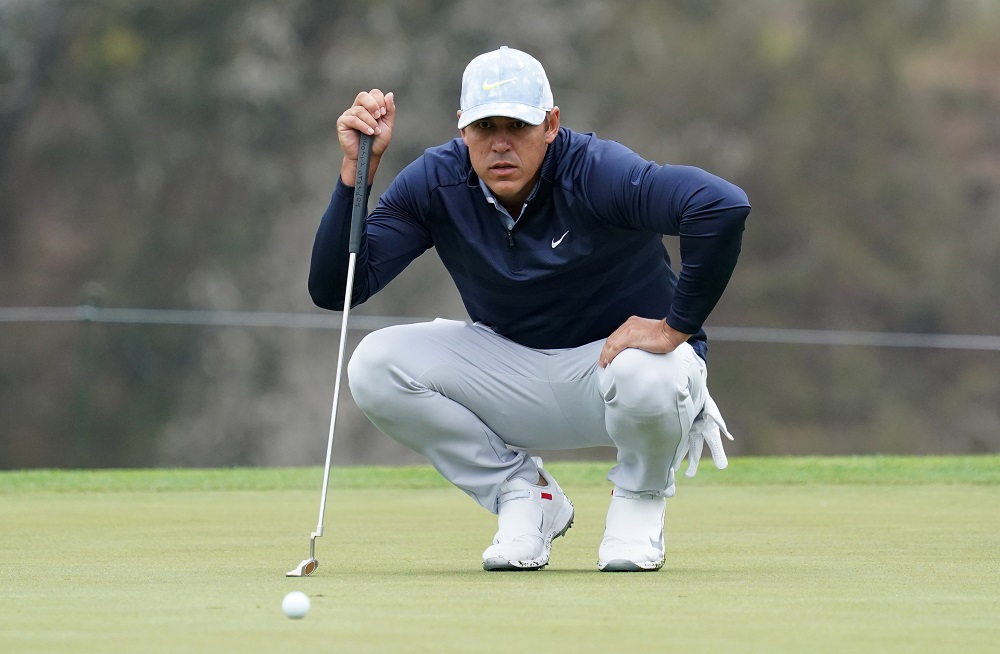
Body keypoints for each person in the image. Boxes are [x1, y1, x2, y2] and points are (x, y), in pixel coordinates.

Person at [309, 46, 749, 572]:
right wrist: (357, 174)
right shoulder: (437, 181)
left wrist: (677, 327)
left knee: (649, 372)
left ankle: (640, 498)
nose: (500, 144)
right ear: (461, 129)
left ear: (551, 124)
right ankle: (523, 495)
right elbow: (335, 289)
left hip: (620, 375)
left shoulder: (597, 171)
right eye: (483, 126)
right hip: (512, 374)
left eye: (517, 125)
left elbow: (719, 205)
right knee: (375, 364)